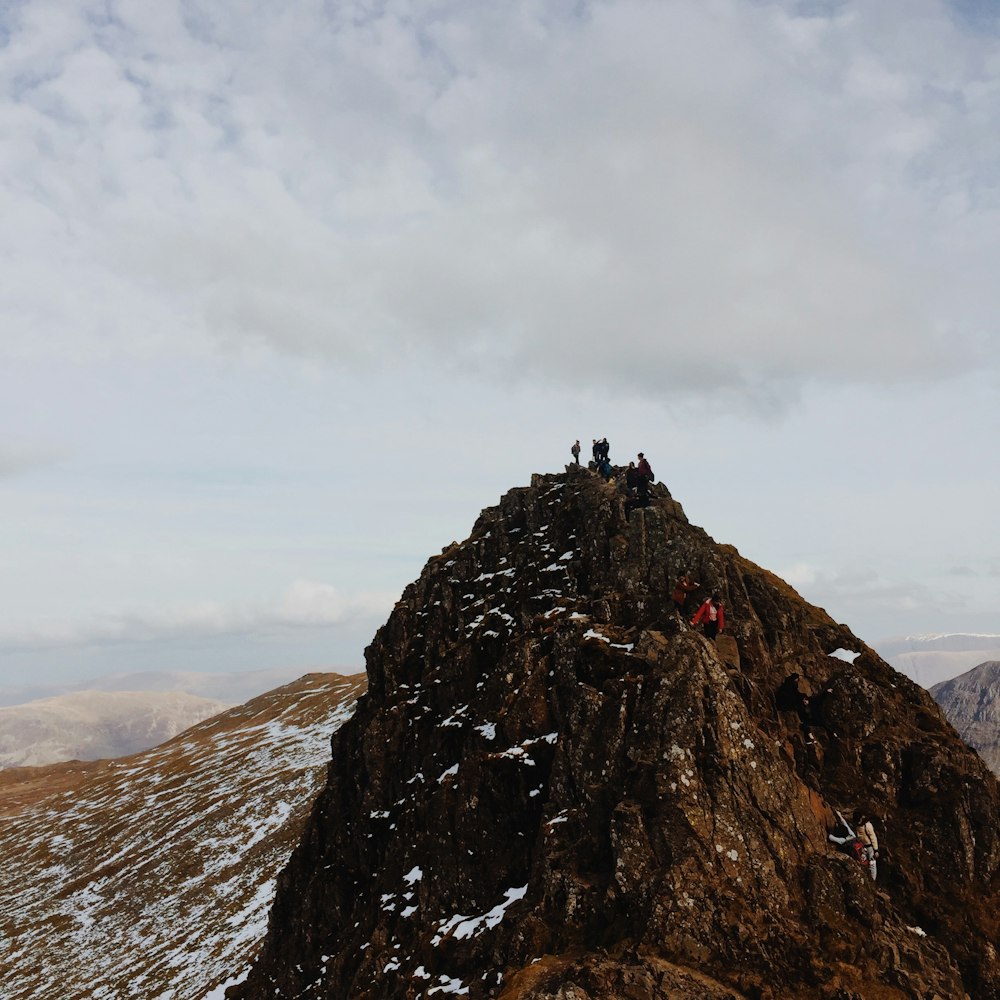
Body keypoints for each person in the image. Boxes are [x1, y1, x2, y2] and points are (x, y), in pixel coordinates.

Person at [828, 810, 879, 881]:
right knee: (868, 863)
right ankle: (870, 879)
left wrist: (875, 850)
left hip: (869, 847)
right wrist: (840, 816)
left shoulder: (867, 825)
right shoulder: (852, 835)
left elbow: (873, 837)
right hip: (862, 846)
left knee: (872, 863)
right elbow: (846, 824)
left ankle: (873, 880)